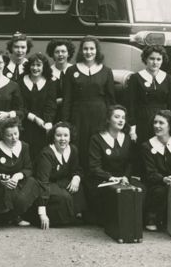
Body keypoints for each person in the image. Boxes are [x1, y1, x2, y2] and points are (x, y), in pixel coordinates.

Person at [61, 37, 116, 175]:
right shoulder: (71, 70)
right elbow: (67, 99)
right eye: (85, 48)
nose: (88, 52)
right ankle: (79, 177)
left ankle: (99, 176)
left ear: (97, 51)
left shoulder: (106, 71)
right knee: (80, 146)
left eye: (92, 48)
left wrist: (111, 121)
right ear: (81, 51)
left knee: (98, 146)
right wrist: (65, 122)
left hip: (100, 115)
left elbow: (110, 99)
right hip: (78, 116)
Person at [140, 110, 171, 232]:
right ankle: (152, 218)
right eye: (155, 122)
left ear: (170, 126)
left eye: (161, 123)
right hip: (155, 183)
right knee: (160, 190)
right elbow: (150, 172)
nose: (157, 126)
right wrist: (163, 179)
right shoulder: (147, 146)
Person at [85, 104, 134, 226]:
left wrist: (126, 177)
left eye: (123, 117)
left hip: (123, 180)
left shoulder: (127, 139)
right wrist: (110, 178)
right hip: (102, 179)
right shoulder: (97, 139)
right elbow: (94, 167)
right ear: (108, 119)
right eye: (117, 117)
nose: (121, 120)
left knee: (140, 190)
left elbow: (130, 163)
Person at [0, 117, 43, 226]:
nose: (14, 138)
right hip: (3, 182)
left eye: (16, 133)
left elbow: (28, 168)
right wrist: (1, 178)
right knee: (6, 192)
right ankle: (9, 217)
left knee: (32, 183)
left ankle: (15, 215)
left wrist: (18, 176)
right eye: (9, 135)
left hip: (19, 181)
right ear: (2, 135)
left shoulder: (24, 146)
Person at [126, 45, 171, 151]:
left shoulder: (169, 79)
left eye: (158, 59)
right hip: (142, 122)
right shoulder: (135, 78)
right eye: (152, 59)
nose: (155, 62)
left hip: (163, 122)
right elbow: (130, 104)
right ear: (145, 59)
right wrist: (132, 128)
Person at [33, 121, 85, 228]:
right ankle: (54, 219)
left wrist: (76, 177)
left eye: (66, 135)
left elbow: (77, 169)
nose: (62, 139)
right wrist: (42, 213)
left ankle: (75, 217)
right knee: (63, 197)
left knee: (78, 189)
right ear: (53, 137)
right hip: (48, 184)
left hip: (61, 182)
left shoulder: (73, 150)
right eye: (58, 135)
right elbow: (42, 182)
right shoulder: (46, 154)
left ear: (70, 138)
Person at [19, 52, 57, 157]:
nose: (35, 68)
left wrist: (48, 122)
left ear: (44, 67)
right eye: (33, 65)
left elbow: (51, 105)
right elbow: (19, 105)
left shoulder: (50, 83)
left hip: (43, 125)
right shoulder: (20, 81)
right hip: (24, 123)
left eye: (38, 65)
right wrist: (34, 118)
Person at [45, 39, 74, 112]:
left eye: (63, 51)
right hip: (52, 112)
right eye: (57, 52)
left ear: (69, 54)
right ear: (52, 54)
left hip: (72, 111)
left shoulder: (75, 71)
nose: (60, 54)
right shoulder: (47, 72)